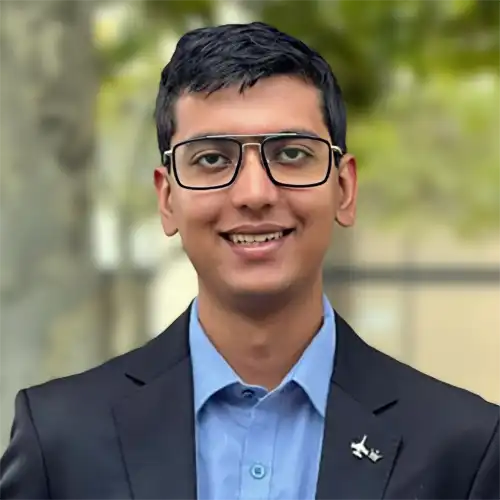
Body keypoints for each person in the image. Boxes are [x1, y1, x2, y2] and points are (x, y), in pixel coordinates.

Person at [0, 21, 499, 500]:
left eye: (291, 154)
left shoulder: (463, 447)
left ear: (344, 189)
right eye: (213, 159)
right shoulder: (61, 438)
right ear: (167, 199)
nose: (255, 193)